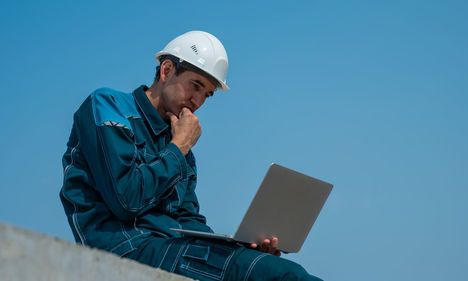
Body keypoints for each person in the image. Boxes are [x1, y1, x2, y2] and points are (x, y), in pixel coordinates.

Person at [60, 30, 322, 281]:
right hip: (123, 246)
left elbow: (187, 219)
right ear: (166, 70)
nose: (197, 101)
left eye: (206, 94)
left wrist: (240, 248)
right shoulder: (108, 106)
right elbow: (126, 201)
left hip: (170, 248)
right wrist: (178, 147)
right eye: (195, 86)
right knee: (286, 277)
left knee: (269, 267)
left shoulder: (181, 145)